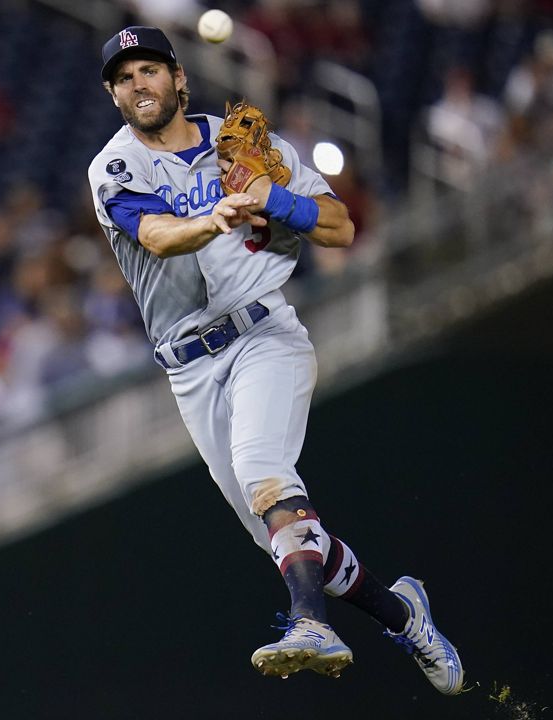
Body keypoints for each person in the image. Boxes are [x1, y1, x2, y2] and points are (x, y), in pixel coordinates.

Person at [87, 26, 464, 693]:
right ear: (113, 94)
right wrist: (216, 216)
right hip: (190, 369)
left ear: (180, 79)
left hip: (264, 335)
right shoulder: (116, 165)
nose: (137, 84)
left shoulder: (249, 143)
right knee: (286, 540)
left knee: (263, 472)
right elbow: (156, 233)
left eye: (149, 69)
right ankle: (405, 617)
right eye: (123, 77)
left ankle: (311, 625)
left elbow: (341, 227)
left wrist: (274, 197)